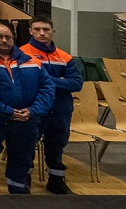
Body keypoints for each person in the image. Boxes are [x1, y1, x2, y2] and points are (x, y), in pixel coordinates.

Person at [0, 23, 55, 194]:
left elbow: (47, 88)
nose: (4, 40)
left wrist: (33, 110)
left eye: (8, 37)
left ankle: (18, 190)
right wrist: (8, 111)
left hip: (26, 119)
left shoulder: (31, 60)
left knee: (22, 156)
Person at [18, 16, 84, 194]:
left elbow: (76, 84)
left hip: (60, 109)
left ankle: (56, 181)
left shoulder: (64, 57)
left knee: (57, 145)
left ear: (53, 32)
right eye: (38, 29)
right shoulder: (22, 54)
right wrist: (59, 81)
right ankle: (24, 180)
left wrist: (45, 80)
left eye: (46, 29)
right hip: (34, 108)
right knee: (27, 145)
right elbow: (24, 82)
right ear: (30, 31)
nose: (42, 33)